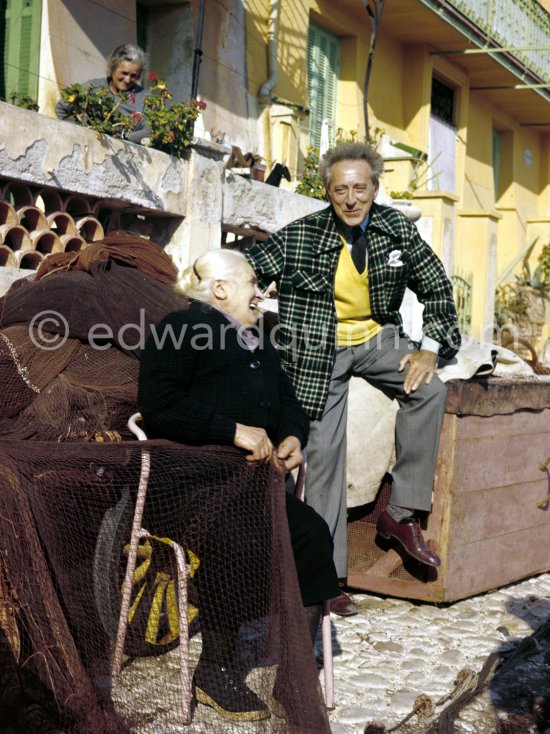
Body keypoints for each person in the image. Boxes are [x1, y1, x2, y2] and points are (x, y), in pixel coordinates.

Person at [245, 141, 461, 617]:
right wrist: (242, 303)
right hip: (319, 349)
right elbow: (246, 271)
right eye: (340, 189)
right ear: (327, 191)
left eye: (360, 188)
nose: (350, 199)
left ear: (375, 189)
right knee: (322, 452)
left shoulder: (395, 230)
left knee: (430, 389)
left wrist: (430, 348)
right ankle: (327, 577)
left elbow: (438, 288)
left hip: (377, 339)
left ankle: (401, 513)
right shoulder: (300, 235)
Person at [138, 249, 339, 722]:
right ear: (222, 289)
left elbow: (288, 403)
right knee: (241, 537)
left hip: (250, 487)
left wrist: (292, 435)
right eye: (252, 281)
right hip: (191, 488)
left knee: (311, 532)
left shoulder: (258, 341)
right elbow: (159, 404)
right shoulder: (179, 329)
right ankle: (216, 668)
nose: (260, 291)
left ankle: (294, 669)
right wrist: (232, 430)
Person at [56, 44, 150, 144]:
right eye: (124, 73)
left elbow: (150, 131)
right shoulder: (92, 87)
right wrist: (80, 131)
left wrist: (122, 137)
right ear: (112, 68)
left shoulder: (144, 98)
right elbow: (62, 108)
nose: (127, 79)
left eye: (134, 76)